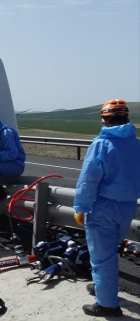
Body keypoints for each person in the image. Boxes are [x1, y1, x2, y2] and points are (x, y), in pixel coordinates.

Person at [73, 98, 140, 318]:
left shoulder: (101, 144)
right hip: (127, 207)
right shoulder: (136, 144)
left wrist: (81, 207)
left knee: (102, 257)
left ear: (104, 119)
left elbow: (88, 181)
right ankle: (103, 288)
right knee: (109, 253)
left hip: (103, 208)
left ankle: (107, 304)